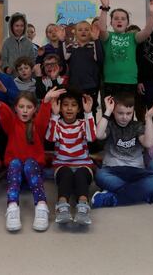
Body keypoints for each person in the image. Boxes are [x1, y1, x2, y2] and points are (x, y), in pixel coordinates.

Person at [0, 89, 60, 232]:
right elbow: (6, 114)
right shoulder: (12, 124)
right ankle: (12, 207)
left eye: (29, 107)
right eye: (21, 107)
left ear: (34, 109)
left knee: (29, 163)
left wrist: (46, 102)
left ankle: (41, 206)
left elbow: (43, 117)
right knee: (15, 163)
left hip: (34, 174)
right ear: (16, 108)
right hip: (15, 177)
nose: (25, 111)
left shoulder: (37, 126)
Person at [91, 94, 153, 208]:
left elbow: (149, 143)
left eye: (129, 113)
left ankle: (112, 198)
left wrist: (148, 119)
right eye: (120, 113)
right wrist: (107, 111)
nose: (124, 117)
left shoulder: (137, 126)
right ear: (114, 112)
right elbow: (98, 135)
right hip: (112, 171)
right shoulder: (110, 125)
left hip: (136, 171)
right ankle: (149, 195)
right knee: (100, 176)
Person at [95, 0, 153, 99]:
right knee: (111, 114)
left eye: (123, 19)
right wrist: (105, 8)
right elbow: (101, 29)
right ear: (111, 22)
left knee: (127, 114)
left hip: (129, 81)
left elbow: (147, 31)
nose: (119, 21)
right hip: (111, 80)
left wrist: (152, 14)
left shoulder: (132, 36)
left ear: (127, 23)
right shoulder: (108, 36)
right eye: (116, 19)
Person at [45, 90, 96, 226]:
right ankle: (62, 206)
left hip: (83, 165)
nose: (69, 108)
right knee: (66, 173)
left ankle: (83, 207)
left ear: (78, 108)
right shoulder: (57, 124)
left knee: (80, 174)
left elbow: (92, 137)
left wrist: (88, 113)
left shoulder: (82, 123)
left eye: (73, 105)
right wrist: (54, 115)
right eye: (65, 105)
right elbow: (50, 138)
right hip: (62, 166)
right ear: (60, 107)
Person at [63, 20, 103, 115]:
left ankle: (91, 129)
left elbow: (100, 59)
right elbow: (63, 59)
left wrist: (96, 40)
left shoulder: (94, 45)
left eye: (86, 29)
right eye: (80, 30)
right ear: (75, 33)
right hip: (74, 86)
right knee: (76, 112)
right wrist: (62, 41)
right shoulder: (71, 46)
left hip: (90, 86)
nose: (83, 32)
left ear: (91, 32)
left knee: (90, 111)